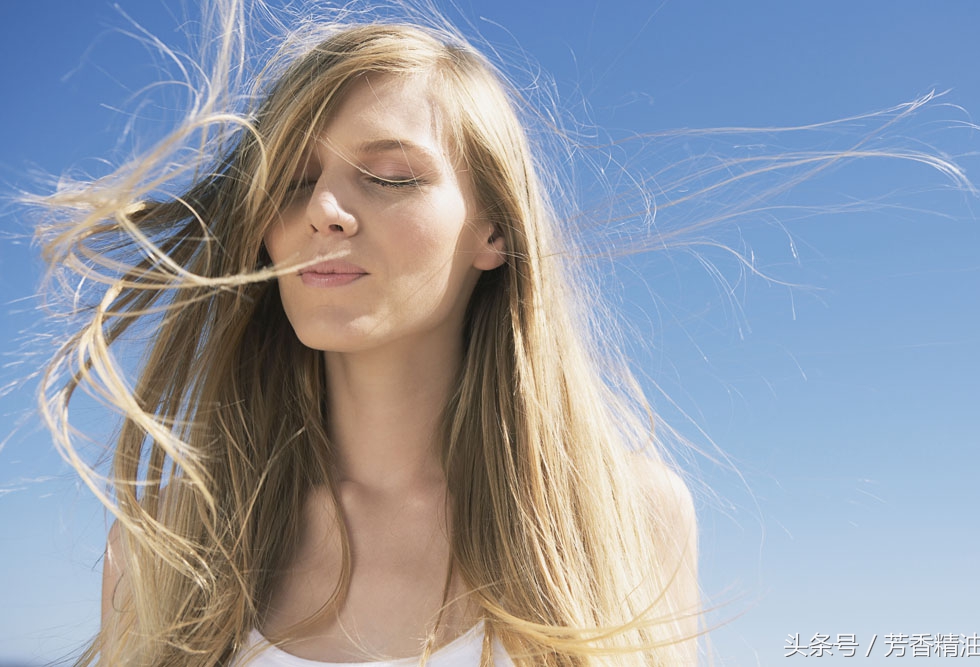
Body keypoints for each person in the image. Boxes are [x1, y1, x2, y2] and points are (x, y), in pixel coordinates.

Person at [35, 4, 700, 667]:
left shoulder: (625, 515)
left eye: (389, 176)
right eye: (294, 181)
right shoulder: (163, 546)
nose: (323, 209)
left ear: (493, 230)